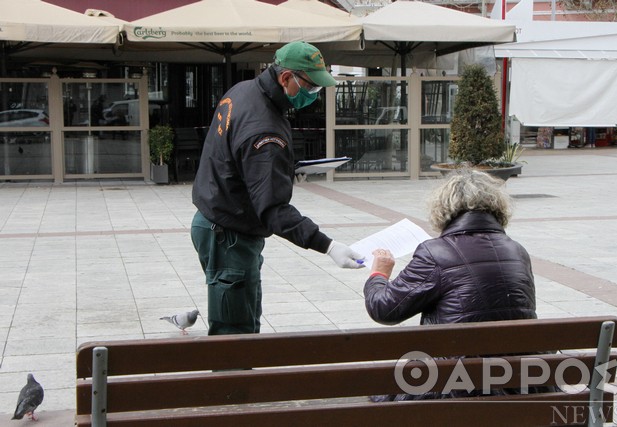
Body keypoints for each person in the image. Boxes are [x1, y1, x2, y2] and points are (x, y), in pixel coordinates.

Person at [191, 41, 364, 336]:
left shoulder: (242, 91)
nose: (314, 94)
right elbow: (273, 210)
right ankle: (234, 383)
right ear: (286, 78)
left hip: (213, 218)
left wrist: (280, 173)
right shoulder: (266, 128)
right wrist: (328, 245)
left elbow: (234, 157)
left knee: (240, 315)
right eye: (310, 86)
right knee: (236, 335)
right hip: (230, 234)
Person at [364, 169, 537, 400]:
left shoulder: (436, 253)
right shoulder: (517, 251)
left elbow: (384, 309)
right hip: (520, 383)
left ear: (444, 209)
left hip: (455, 386)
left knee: (383, 391)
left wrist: (378, 274)